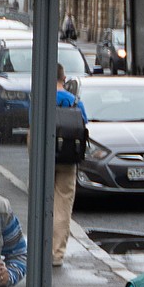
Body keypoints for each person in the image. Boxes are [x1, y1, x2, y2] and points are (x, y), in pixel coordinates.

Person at [52, 63, 88, 268]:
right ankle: (57, 253)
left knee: (43, 203)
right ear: (63, 78)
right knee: (63, 206)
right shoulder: (74, 100)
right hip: (68, 156)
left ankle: (41, 248)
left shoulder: (40, 97)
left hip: (45, 156)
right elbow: (84, 124)